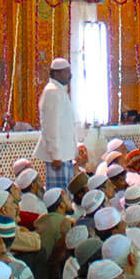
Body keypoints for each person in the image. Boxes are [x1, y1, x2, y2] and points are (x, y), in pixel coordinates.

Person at [35, 59, 80, 191]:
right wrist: (56, 155)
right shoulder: (52, 92)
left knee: (66, 194)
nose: (70, 75)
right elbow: (50, 126)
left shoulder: (59, 91)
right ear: (56, 74)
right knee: (59, 196)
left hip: (63, 155)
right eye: (67, 72)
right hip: (58, 157)